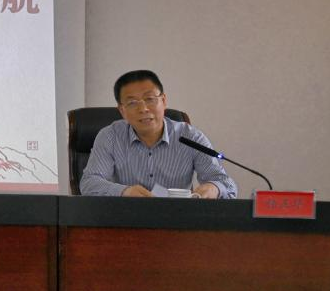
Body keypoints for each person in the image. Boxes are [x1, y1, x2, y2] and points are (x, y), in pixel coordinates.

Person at [80, 70, 237, 198]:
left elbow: (226, 184)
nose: (143, 109)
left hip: (178, 219)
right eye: (132, 103)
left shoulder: (191, 137)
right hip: (126, 217)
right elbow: (89, 183)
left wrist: (214, 188)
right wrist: (125, 191)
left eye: (150, 99)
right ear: (122, 110)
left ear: (164, 100)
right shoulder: (110, 136)